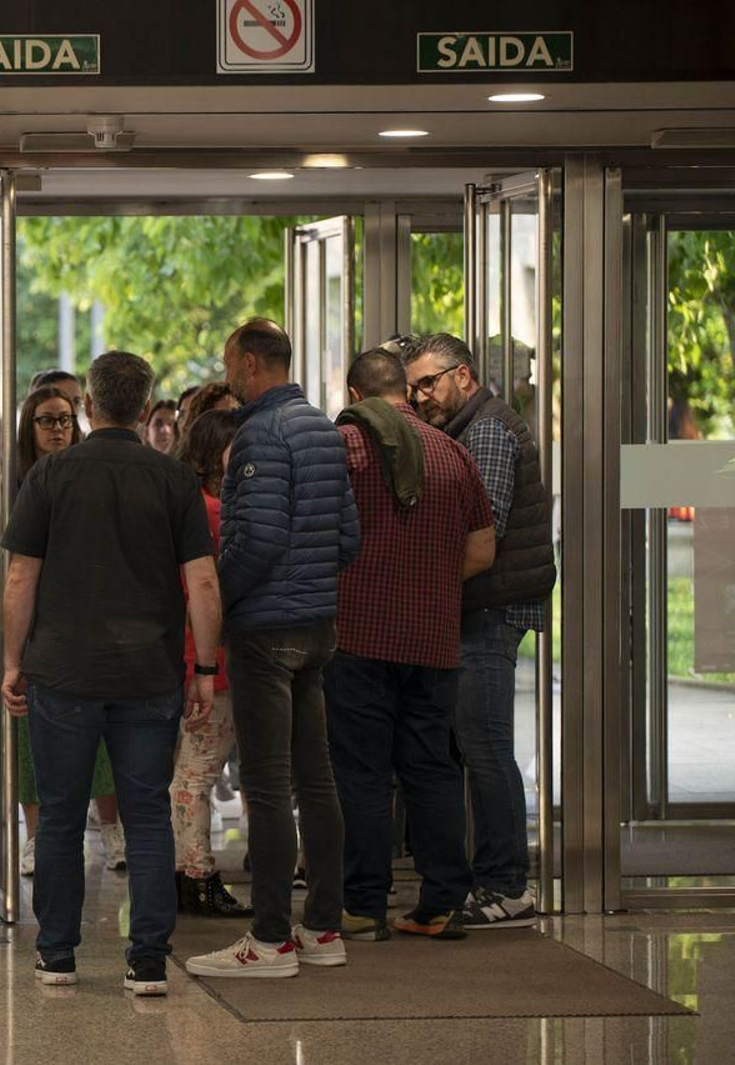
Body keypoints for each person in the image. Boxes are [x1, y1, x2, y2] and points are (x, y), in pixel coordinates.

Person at [2, 350, 223, 998]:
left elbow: (21, 575)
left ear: (89, 406)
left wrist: (13, 660)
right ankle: (148, 960)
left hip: (62, 673)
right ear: (144, 400)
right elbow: (203, 580)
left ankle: (57, 953)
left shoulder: (49, 476)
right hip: (148, 674)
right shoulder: (173, 480)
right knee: (146, 815)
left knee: (63, 815)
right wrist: (204, 667)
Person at [184, 318, 358, 980]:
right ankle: (323, 927)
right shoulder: (321, 426)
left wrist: (218, 602)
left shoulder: (260, 431)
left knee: (266, 785)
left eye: (231, 363)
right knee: (317, 781)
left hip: (266, 632)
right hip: (318, 626)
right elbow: (348, 535)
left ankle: (269, 938)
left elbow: (254, 541)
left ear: (253, 363)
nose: (228, 374)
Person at [327, 349, 497, 942]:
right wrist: (426, 581)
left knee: (363, 774)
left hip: (359, 635)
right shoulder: (453, 452)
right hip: (434, 639)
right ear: (405, 389)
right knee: (432, 771)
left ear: (354, 393)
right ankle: (442, 902)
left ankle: (362, 906)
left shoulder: (345, 449)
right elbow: (481, 550)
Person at [403, 334, 557, 930]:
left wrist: (423, 587)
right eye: (413, 387)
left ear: (462, 376)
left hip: (489, 608)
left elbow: (482, 533)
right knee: (476, 745)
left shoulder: (487, 429)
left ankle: (506, 885)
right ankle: (493, 876)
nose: (419, 397)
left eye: (427, 383)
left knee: (486, 746)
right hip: (482, 606)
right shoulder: (471, 426)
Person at [10, 386, 127, 875]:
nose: (57, 429)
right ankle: (38, 837)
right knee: (29, 735)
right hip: (36, 623)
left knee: (99, 735)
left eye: (64, 419)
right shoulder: (21, 483)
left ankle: (112, 827)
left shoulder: (87, 471)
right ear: (29, 428)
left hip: (88, 618)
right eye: (46, 420)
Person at [170, 407, 251, 917]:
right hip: (215, 661)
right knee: (196, 775)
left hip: (185, 657)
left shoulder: (182, 505)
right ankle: (197, 875)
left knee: (189, 773)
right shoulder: (218, 514)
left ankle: (187, 872)